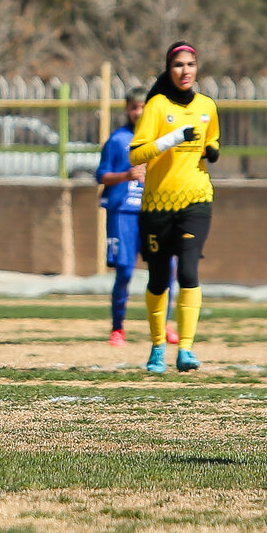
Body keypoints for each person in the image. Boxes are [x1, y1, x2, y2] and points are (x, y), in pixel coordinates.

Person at [130, 41, 220, 373]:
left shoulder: (208, 105)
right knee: (158, 279)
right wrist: (172, 138)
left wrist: (212, 148)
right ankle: (156, 348)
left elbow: (212, 137)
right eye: (179, 65)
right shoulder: (155, 106)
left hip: (196, 200)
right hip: (157, 205)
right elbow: (136, 154)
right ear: (169, 69)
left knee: (188, 272)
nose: (186, 71)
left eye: (191, 64)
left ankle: (185, 349)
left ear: (198, 69)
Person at [97, 88, 178, 347]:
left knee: (166, 269)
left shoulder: (160, 140)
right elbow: (102, 176)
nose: (139, 112)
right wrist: (126, 175)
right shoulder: (117, 140)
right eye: (134, 107)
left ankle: (162, 324)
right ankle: (117, 328)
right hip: (123, 213)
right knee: (124, 271)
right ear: (127, 110)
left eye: (144, 107)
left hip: (155, 212)